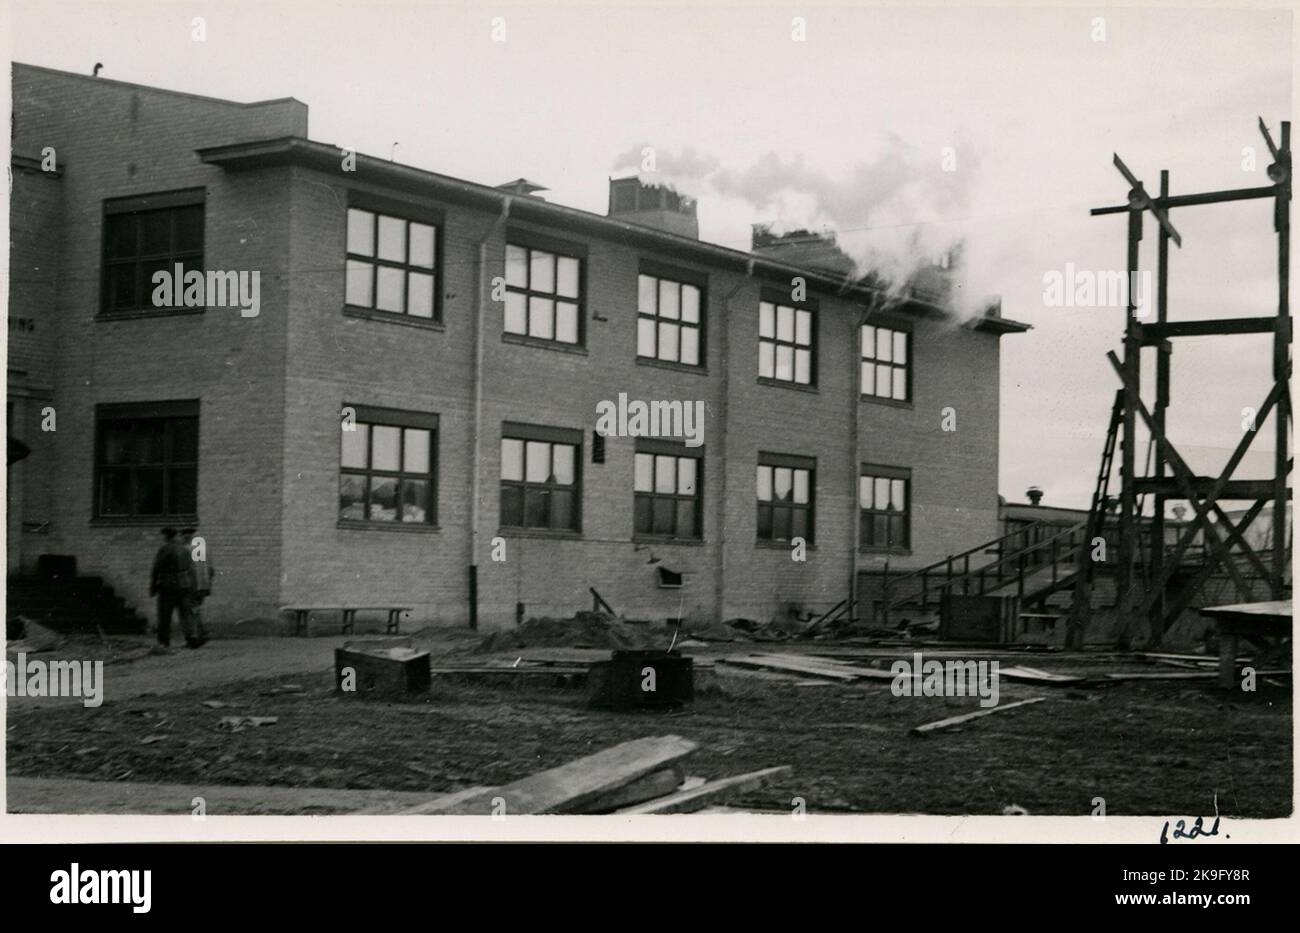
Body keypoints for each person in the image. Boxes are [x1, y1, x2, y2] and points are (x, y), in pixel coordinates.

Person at [149, 527, 190, 648]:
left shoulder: (165, 549)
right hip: (184, 584)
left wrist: (153, 586)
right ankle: (190, 638)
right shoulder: (184, 549)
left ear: (167, 537)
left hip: (168, 585)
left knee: (164, 614)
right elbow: (190, 567)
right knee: (184, 613)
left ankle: (164, 641)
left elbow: (157, 568)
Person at [181, 527, 212, 648]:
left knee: (191, 611)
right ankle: (201, 634)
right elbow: (209, 569)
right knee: (196, 610)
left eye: (184, 536)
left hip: (193, 585)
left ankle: (195, 637)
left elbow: (194, 570)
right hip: (202, 585)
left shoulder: (188, 549)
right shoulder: (202, 548)